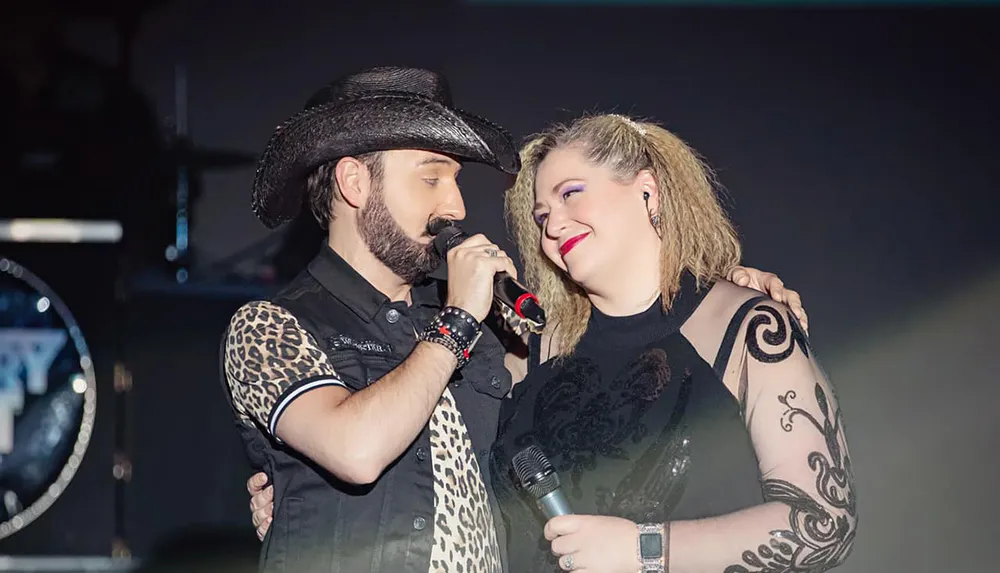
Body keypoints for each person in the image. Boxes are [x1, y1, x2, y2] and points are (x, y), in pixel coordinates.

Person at [238, 74, 814, 570]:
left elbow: (610, 344)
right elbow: (357, 452)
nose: (458, 207)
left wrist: (719, 284)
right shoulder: (267, 326)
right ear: (354, 183)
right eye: (432, 177)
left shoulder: (484, 319)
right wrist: (459, 320)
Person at [486, 114, 857, 572]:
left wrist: (644, 551)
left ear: (648, 191)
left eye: (570, 194)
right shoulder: (534, 346)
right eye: (541, 216)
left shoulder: (748, 326)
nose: (553, 226)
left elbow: (823, 524)